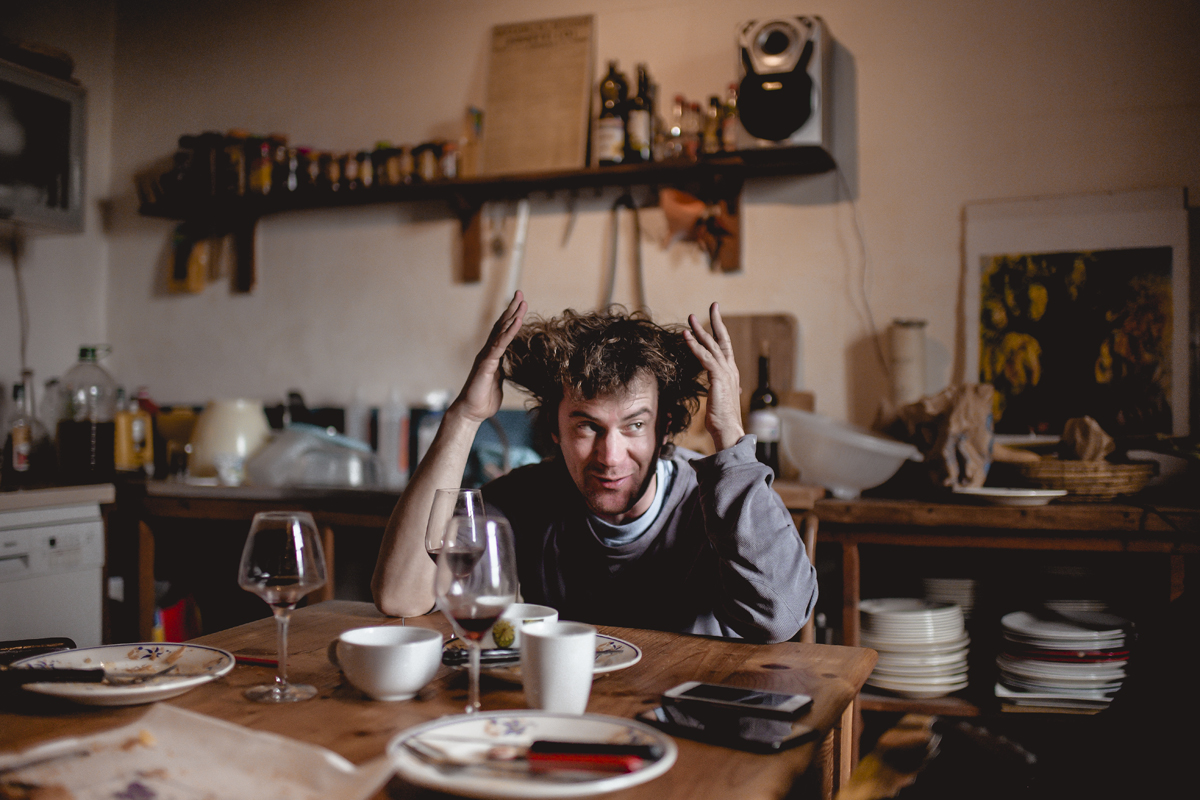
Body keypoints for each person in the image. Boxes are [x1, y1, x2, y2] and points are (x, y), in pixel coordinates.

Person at [372, 291, 817, 642]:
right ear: (554, 429)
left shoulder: (712, 500)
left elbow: (779, 619)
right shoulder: (528, 499)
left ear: (664, 428)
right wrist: (464, 417)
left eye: (634, 425)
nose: (610, 456)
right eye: (587, 427)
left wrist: (731, 441)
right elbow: (400, 596)